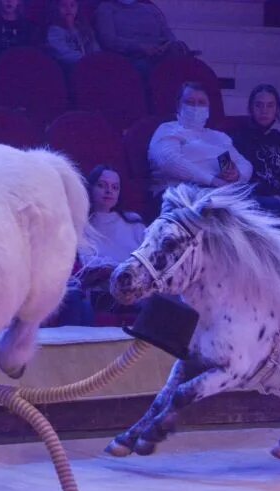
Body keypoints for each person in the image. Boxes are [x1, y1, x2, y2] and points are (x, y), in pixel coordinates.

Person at [59, 165, 146, 326]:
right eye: (102, 185)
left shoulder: (133, 222)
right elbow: (85, 265)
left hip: (136, 288)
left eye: (115, 187)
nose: (109, 191)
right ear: (90, 188)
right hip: (100, 291)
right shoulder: (81, 224)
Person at [148, 82, 252, 197]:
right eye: (190, 102)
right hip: (180, 193)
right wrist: (212, 181)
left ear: (208, 108)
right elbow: (168, 161)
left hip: (220, 194)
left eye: (201, 103)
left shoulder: (218, 137)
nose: (196, 107)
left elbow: (243, 163)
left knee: (269, 205)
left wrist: (236, 175)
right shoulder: (168, 129)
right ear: (178, 106)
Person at [231, 84, 280, 218]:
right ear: (251, 109)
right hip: (252, 201)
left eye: (270, 105)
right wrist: (275, 198)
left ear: (277, 109)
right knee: (273, 205)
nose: (264, 111)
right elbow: (238, 182)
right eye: (259, 105)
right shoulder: (237, 140)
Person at [94, 0, 188, 77]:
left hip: (161, 53)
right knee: (144, 67)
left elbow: (168, 34)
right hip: (130, 57)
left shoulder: (151, 8)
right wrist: (140, 47)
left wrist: (165, 46)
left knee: (182, 61)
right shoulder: (106, 8)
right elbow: (108, 40)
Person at [46, 0, 100, 66]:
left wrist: (97, 59)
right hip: (70, 68)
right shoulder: (54, 31)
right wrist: (87, 60)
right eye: (63, 5)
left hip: (90, 64)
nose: (68, 9)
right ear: (56, 9)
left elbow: (94, 46)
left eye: (72, 5)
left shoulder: (84, 27)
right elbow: (63, 54)